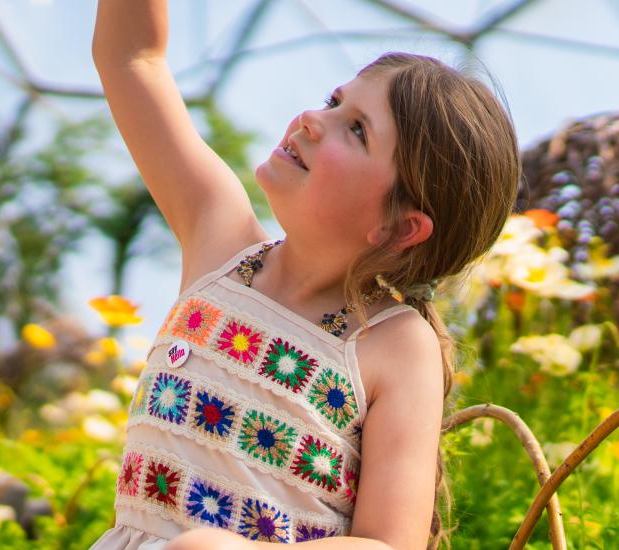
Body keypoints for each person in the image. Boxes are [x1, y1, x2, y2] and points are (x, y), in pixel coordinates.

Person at [90, 0, 521, 547]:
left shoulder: (392, 343)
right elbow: (131, 58)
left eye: (358, 130)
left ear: (398, 228)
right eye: (333, 101)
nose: (313, 120)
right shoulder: (219, 241)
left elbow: (389, 544)